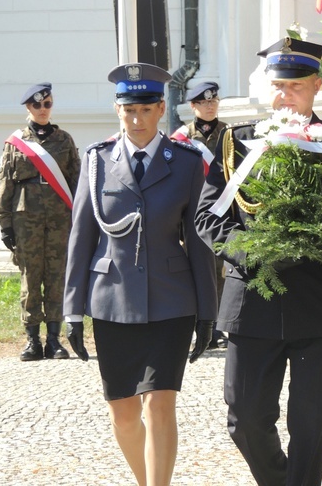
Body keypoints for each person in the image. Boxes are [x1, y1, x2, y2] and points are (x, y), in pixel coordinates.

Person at [195, 37, 322, 486]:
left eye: (296, 86)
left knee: (310, 429)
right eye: (278, 85)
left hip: (320, 304)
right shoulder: (237, 144)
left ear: (317, 86)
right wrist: (252, 251)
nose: (286, 95)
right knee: (244, 419)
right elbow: (208, 215)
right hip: (253, 303)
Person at [63, 62, 217, 486]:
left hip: (172, 300)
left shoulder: (186, 163)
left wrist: (208, 312)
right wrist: (72, 310)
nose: (137, 119)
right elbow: (81, 237)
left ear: (160, 109)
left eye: (146, 109)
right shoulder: (96, 162)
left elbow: (199, 241)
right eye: (129, 110)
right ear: (117, 110)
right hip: (112, 301)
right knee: (125, 414)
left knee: (160, 405)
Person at [0, 83, 80, 361]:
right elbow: (5, 183)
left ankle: (54, 339)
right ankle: (32, 340)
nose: (43, 110)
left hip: (59, 218)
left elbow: (77, 182)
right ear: (28, 108)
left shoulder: (64, 140)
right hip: (25, 217)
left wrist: (81, 217)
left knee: (56, 276)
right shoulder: (15, 142)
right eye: (37, 105)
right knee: (30, 277)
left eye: (48, 104)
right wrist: (5, 224)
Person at [170, 81, 228, 349]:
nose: (209, 106)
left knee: (221, 269)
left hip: (224, 209)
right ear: (193, 106)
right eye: (204, 102)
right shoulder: (180, 139)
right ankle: (196, 323)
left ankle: (217, 326)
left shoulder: (230, 134)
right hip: (193, 212)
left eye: (213, 101)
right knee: (196, 269)